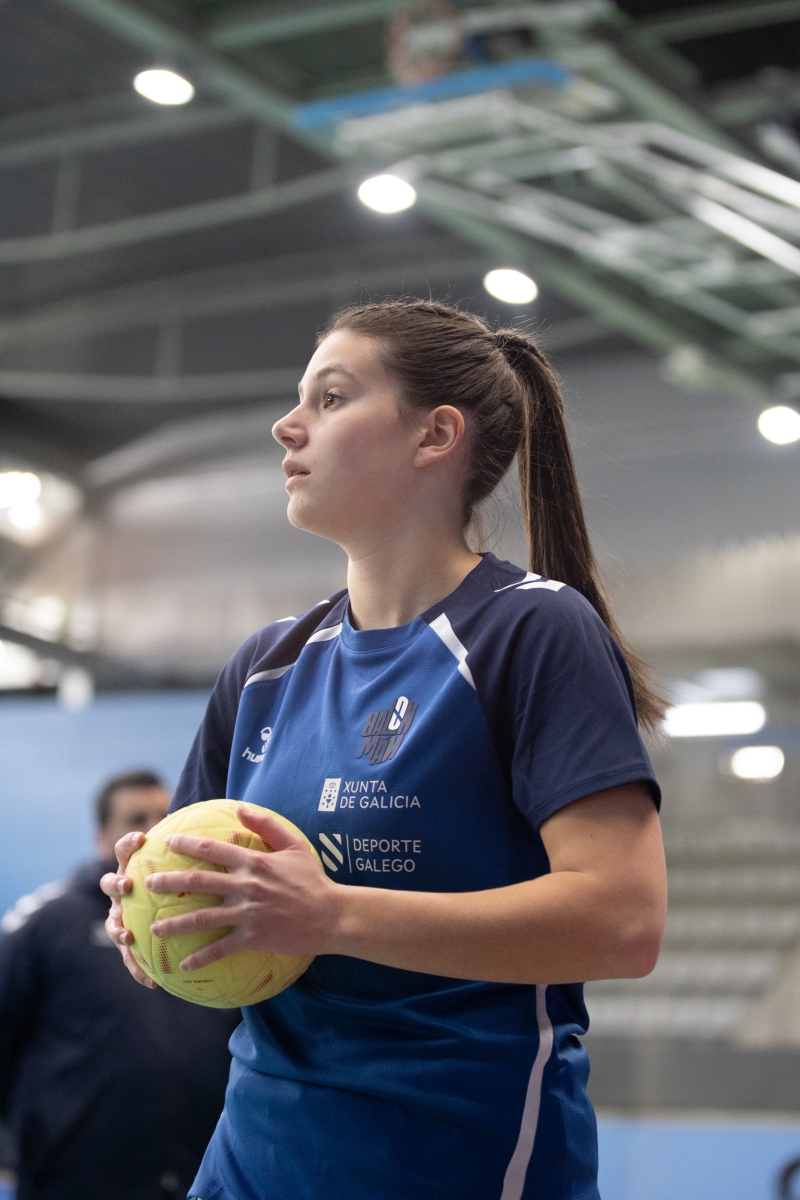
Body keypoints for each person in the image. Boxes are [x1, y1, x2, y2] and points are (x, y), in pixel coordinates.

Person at [104, 301, 668, 1200]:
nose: (287, 425)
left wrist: (328, 915)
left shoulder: (532, 630)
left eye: (330, 398)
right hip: (254, 1158)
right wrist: (158, 914)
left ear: (435, 435)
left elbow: (622, 922)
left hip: (461, 1156)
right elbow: (223, 909)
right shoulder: (264, 666)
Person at [0, 771, 239, 1200]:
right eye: (135, 819)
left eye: (163, 816)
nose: (152, 829)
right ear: (101, 838)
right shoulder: (48, 923)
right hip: (71, 1181)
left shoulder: (216, 925)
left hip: (198, 1178)